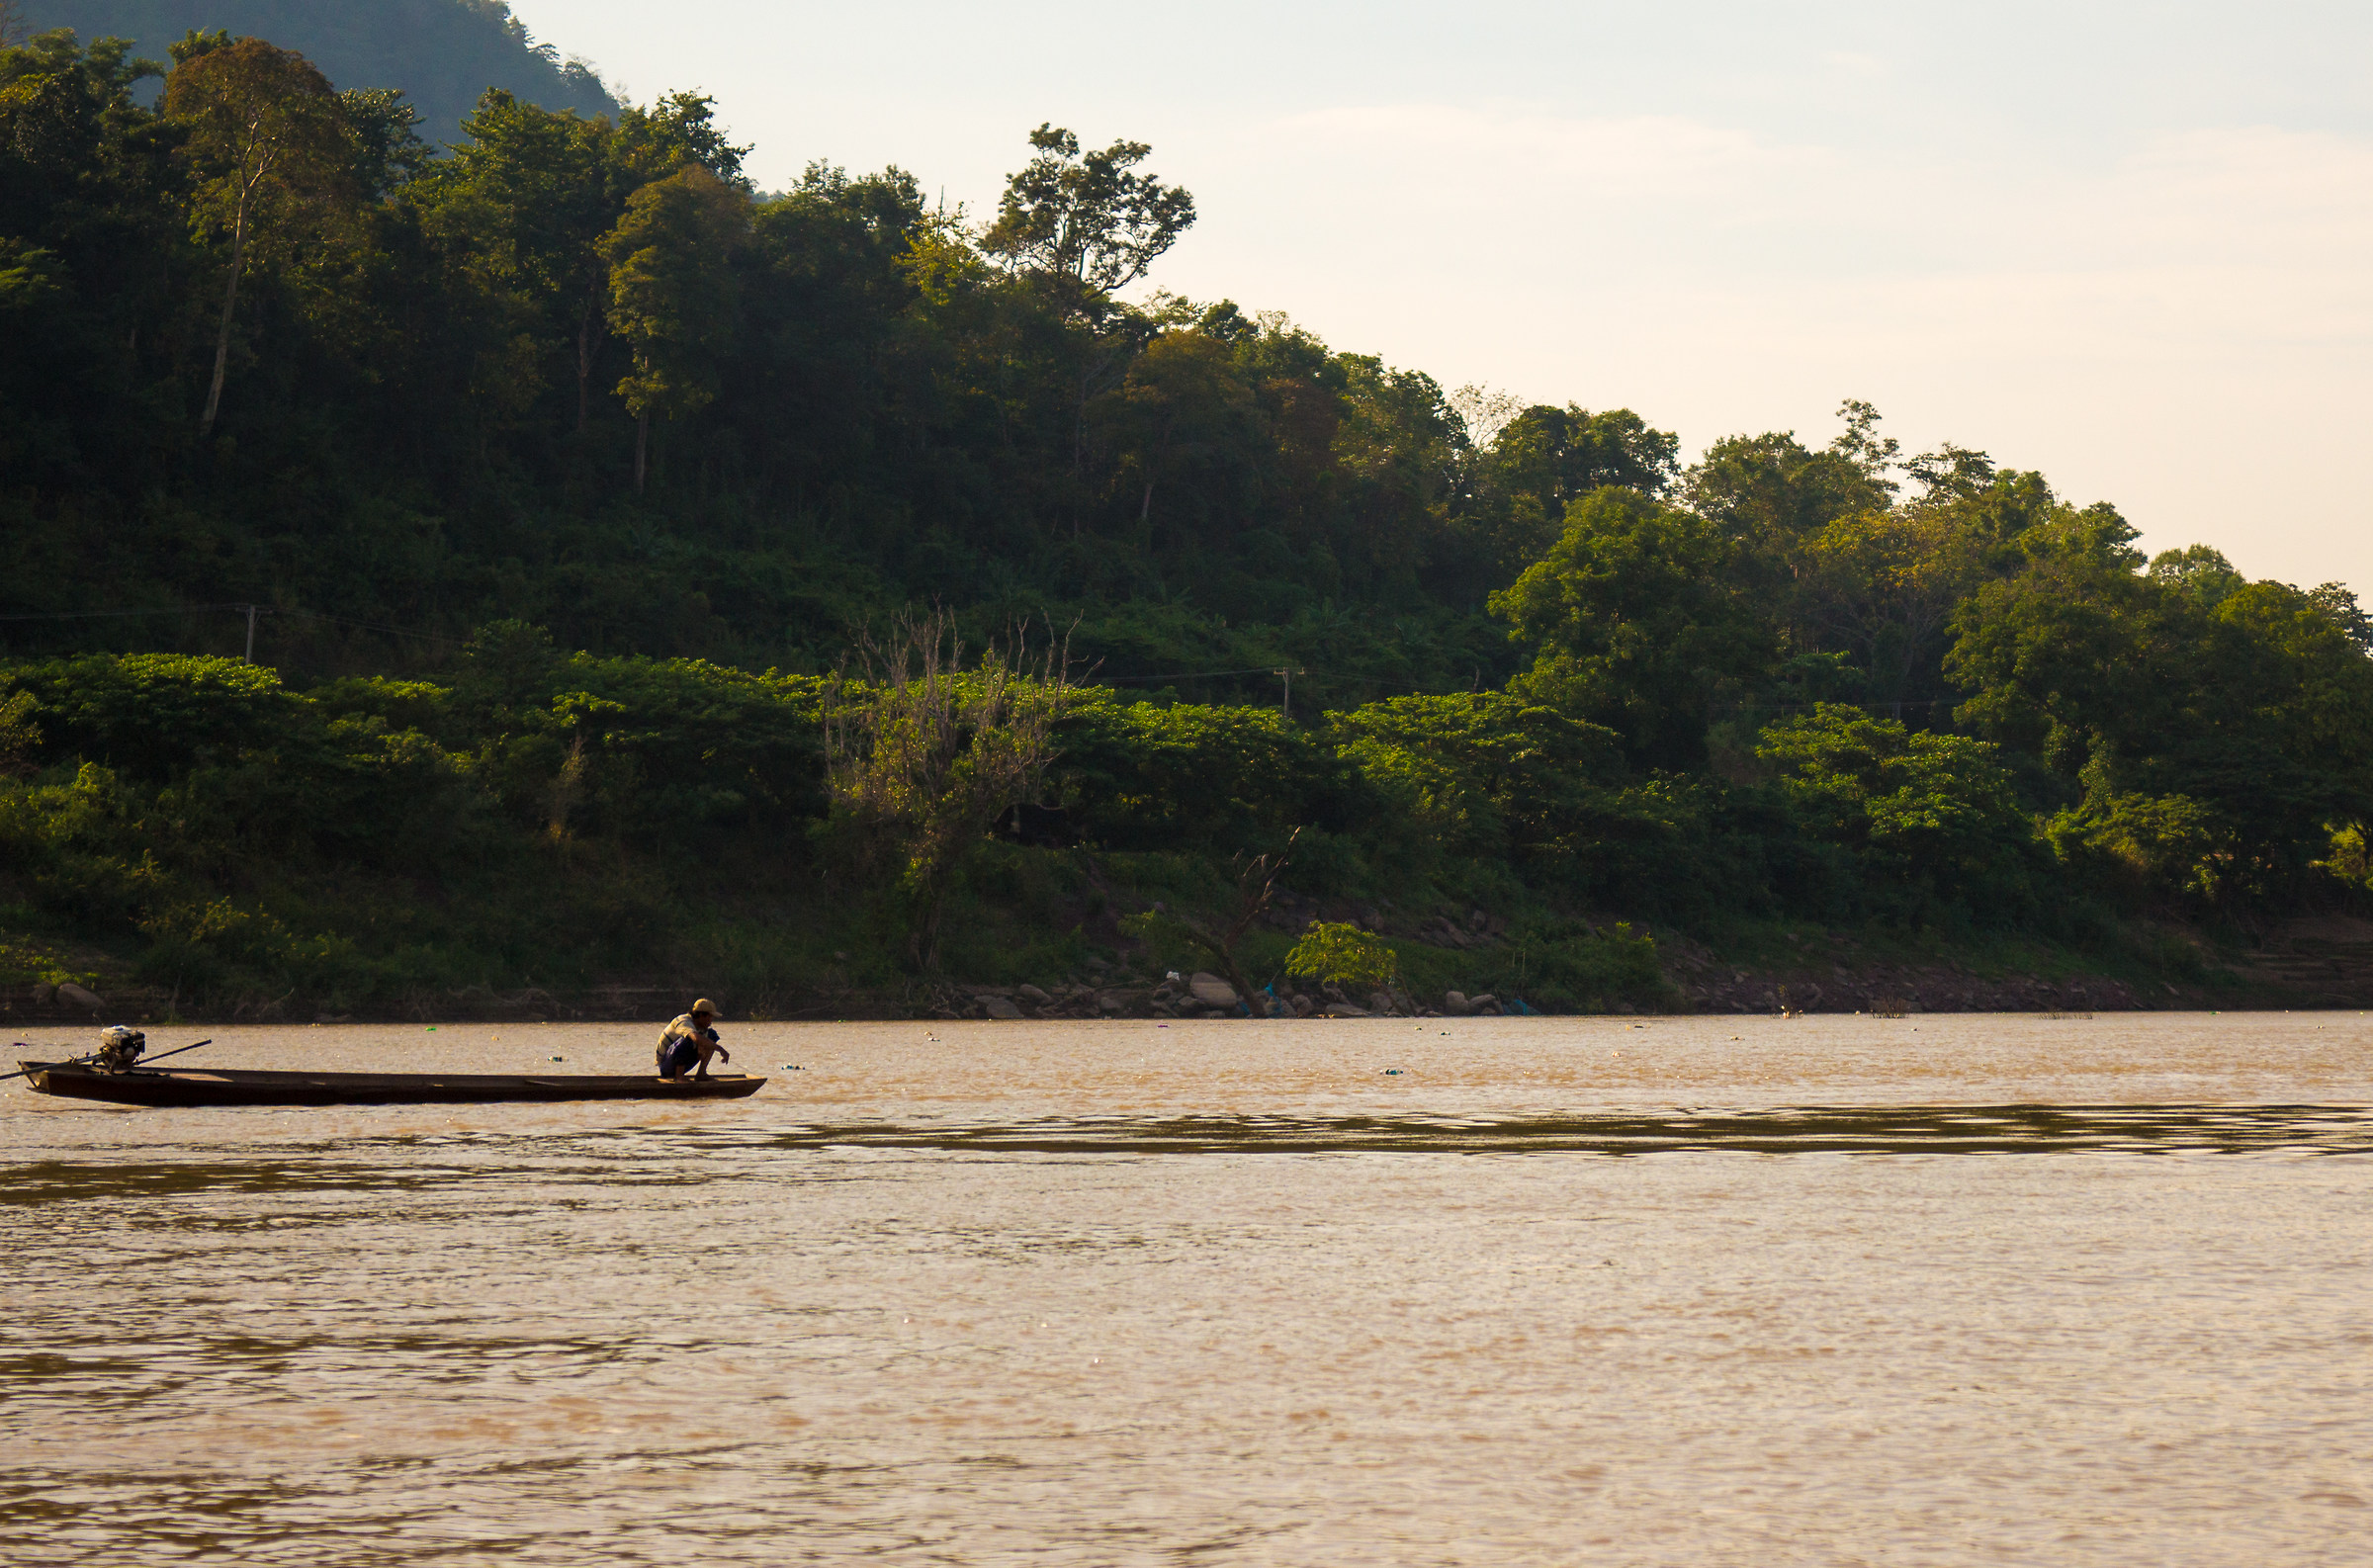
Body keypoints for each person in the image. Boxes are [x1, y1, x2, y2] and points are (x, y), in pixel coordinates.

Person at [657, 1000, 730, 1082]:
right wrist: (721, 1049)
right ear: (701, 1015)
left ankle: (701, 1074)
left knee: (711, 1036)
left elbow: (702, 1048)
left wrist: (701, 1051)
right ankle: (679, 1076)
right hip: (666, 1066)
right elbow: (695, 1038)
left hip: (682, 1061)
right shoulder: (683, 1021)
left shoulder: (702, 1029)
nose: (711, 1020)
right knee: (688, 1039)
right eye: (710, 1017)